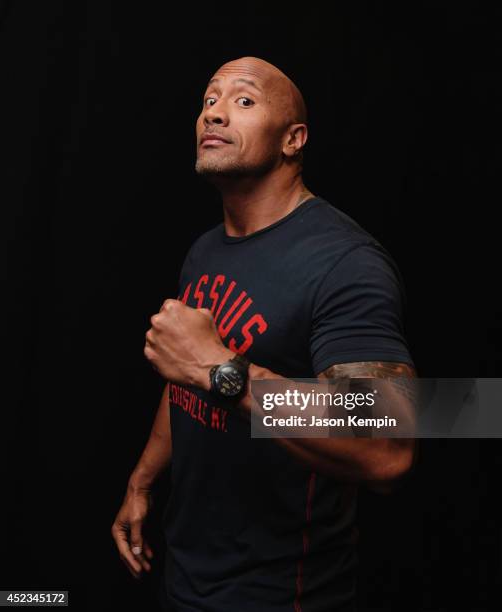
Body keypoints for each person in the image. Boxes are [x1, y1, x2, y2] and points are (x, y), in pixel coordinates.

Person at [111, 56, 416, 612]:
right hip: (185, 570)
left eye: (243, 101)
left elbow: (389, 444)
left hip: (280, 594)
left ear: (293, 139)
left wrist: (217, 368)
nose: (215, 114)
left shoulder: (344, 261)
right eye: (209, 100)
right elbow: (185, 378)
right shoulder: (205, 250)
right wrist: (142, 481)